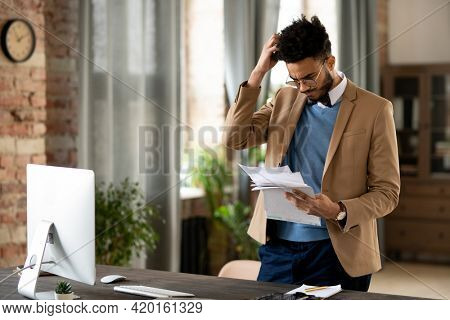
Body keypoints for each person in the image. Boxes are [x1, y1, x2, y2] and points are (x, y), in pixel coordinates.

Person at [222, 15, 400, 292]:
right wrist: (257, 73)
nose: (302, 88)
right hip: (278, 247)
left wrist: (339, 210)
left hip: (337, 252)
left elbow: (387, 193)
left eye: (308, 78)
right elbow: (235, 138)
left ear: (329, 62)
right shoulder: (285, 97)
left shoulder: (375, 109)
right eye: (295, 79)